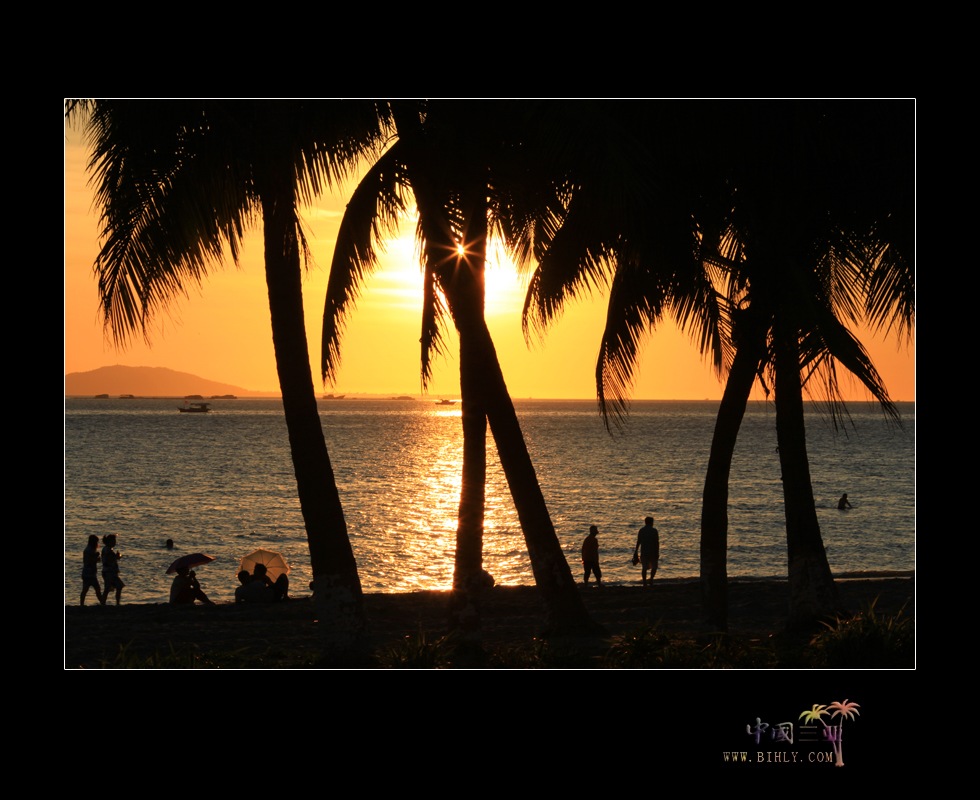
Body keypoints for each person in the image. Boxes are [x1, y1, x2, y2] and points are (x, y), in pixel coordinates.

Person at [633, 516, 660, 588]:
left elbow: (638, 541)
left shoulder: (641, 530)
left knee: (644, 567)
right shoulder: (654, 531)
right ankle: (651, 579)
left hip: (644, 551)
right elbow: (656, 542)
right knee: (654, 567)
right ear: (651, 522)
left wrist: (636, 551)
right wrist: (657, 552)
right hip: (653, 551)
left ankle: (644, 582)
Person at [80, 534, 105, 606]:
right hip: (89, 574)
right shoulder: (89, 550)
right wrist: (96, 556)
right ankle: (102, 603)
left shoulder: (89, 549)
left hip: (89, 573)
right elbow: (90, 561)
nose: (97, 544)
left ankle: (102, 603)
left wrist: (96, 558)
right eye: (96, 542)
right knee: (94, 589)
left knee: (88, 589)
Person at [101, 533, 124, 605]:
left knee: (109, 588)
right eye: (113, 541)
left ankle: (104, 603)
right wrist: (117, 557)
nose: (114, 543)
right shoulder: (107, 550)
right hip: (109, 572)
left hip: (109, 572)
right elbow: (109, 560)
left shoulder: (107, 549)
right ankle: (115, 603)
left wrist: (116, 557)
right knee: (116, 586)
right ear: (108, 542)